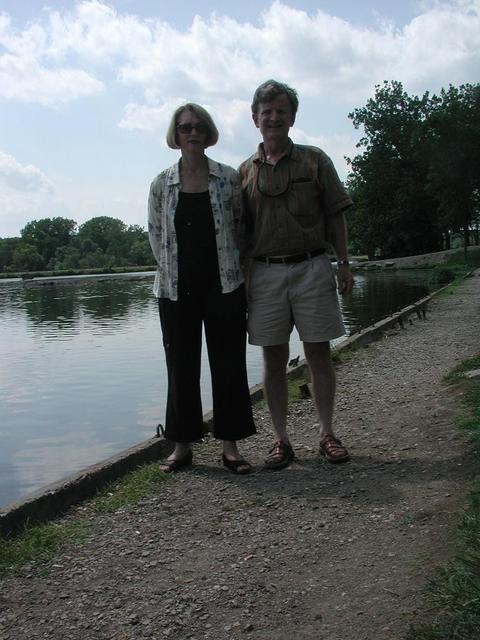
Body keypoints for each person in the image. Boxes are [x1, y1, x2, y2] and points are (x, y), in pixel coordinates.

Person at [239, 80, 354, 470]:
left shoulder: (315, 160)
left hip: (312, 266)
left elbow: (336, 213)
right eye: (266, 111)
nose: (273, 117)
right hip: (265, 273)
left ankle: (327, 433)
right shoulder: (243, 173)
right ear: (255, 118)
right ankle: (281, 439)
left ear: (292, 117)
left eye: (281, 110)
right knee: (273, 359)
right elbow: (240, 234)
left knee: (319, 353)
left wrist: (343, 263)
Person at [148, 103, 256, 474]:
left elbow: (241, 229)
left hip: (224, 285)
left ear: (208, 132)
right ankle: (182, 445)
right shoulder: (161, 183)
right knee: (180, 368)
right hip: (176, 291)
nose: (191, 133)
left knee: (229, 365)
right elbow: (155, 234)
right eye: (184, 128)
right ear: (175, 135)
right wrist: (172, 271)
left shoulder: (227, 178)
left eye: (198, 127)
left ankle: (230, 446)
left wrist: (237, 273)